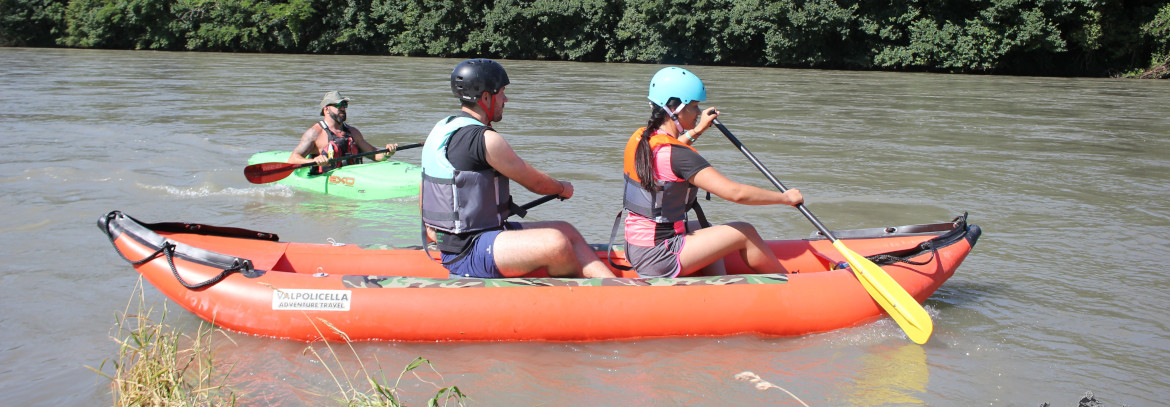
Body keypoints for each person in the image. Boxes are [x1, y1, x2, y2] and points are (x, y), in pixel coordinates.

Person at [420, 58, 616, 279]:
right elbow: (536, 183)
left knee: (566, 230)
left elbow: (424, 188)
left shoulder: (442, 129)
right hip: (469, 249)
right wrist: (562, 188)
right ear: (486, 97)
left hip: (475, 238)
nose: (506, 99)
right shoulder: (486, 140)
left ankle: (616, 290)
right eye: (502, 93)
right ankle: (577, 303)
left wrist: (432, 230)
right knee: (556, 243)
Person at [621, 67, 804, 278]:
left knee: (703, 226)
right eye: (695, 106)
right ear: (676, 109)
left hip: (636, 247)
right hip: (659, 254)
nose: (698, 113)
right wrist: (785, 198)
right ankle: (789, 284)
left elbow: (668, 158)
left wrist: (697, 130)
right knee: (745, 231)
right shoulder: (679, 155)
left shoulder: (642, 138)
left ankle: (717, 285)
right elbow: (735, 193)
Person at [288, 91, 397, 174]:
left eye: (344, 105)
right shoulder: (315, 133)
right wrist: (314, 160)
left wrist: (387, 153)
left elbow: (374, 154)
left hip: (353, 178)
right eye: (338, 105)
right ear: (326, 109)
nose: (343, 109)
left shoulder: (353, 132)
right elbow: (293, 159)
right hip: (325, 179)